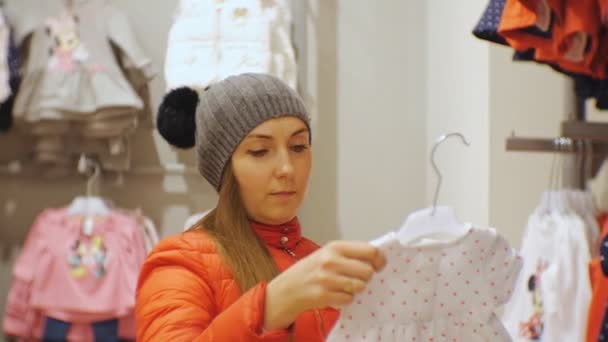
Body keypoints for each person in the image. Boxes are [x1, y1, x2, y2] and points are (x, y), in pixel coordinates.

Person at [135, 73, 387, 341]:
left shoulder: (320, 262)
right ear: (224, 170)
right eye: (259, 151)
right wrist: (269, 307)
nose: (287, 168)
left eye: (298, 146)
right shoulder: (181, 261)